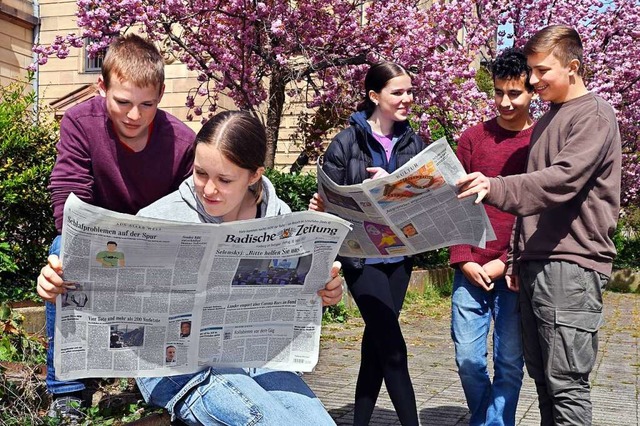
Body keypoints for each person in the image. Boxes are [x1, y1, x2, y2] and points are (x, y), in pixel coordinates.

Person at [37, 111, 344, 425]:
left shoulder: (281, 218)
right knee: (262, 419)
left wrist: (327, 290)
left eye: (225, 180)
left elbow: (296, 297)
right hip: (175, 366)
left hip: (258, 359)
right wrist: (57, 285)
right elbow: (104, 294)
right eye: (200, 173)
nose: (209, 189)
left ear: (254, 175)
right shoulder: (159, 218)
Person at [457, 25, 621, 425]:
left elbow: (561, 180)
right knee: (544, 383)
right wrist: (516, 258)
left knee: (566, 386)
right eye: (530, 70)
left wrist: (494, 186)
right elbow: (530, 207)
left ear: (573, 67)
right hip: (534, 266)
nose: (532, 80)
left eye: (542, 70)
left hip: (572, 265)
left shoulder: (594, 116)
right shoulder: (549, 120)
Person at [38, 33, 196, 420]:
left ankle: (163, 375)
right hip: (97, 238)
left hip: (157, 242)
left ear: (161, 94)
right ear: (101, 87)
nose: (134, 116)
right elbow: (68, 196)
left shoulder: (183, 140)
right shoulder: (79, 121)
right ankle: (68, 391)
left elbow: (191, 209)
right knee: (62, 252)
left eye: (148, 105)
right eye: (122, 102)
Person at [311, 61, 426, 426]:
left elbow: (424, 198)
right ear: (374, 96)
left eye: (410, 91)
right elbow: (328, 194)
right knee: (393, 349)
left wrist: (397, 185)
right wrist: (321, 202)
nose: (407, 98)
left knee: (376, 343)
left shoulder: (414, 142)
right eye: (398, 92)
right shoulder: (346, 142)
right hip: (361, 259)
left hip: (400, 257)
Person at [449, 47, 534, 426]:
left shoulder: (541, 142)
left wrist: (507, 261)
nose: (504, 102)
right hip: (470, 266)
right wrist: (464, 256)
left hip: (514, 269)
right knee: (467, 358)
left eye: (514, 93)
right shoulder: (472, 139)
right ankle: (488, 420)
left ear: (532, 91)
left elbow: (539, 209)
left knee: (509, 362)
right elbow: (452, 204)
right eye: (498, 92)